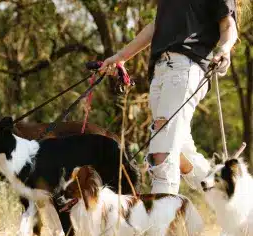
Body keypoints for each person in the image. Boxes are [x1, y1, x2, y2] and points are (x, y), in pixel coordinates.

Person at [100, 0, 241, 194]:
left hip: (185, 68)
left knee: (162, 151)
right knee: (180, 152)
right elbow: (156, 26)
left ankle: (161, 220)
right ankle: (235, 195)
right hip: (160, 72)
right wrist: (121, 56)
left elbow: (228, 25)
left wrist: (224, 50)